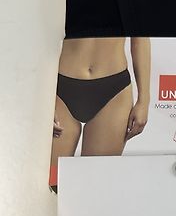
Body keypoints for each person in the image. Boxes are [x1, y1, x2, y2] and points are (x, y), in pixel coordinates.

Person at [50, 37, 150, 186]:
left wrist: (144, 100)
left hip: (114, 90)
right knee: (51, 184)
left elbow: (140, 39)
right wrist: (43, 100)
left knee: (96, 184)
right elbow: (39, 38)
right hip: (60, 86)